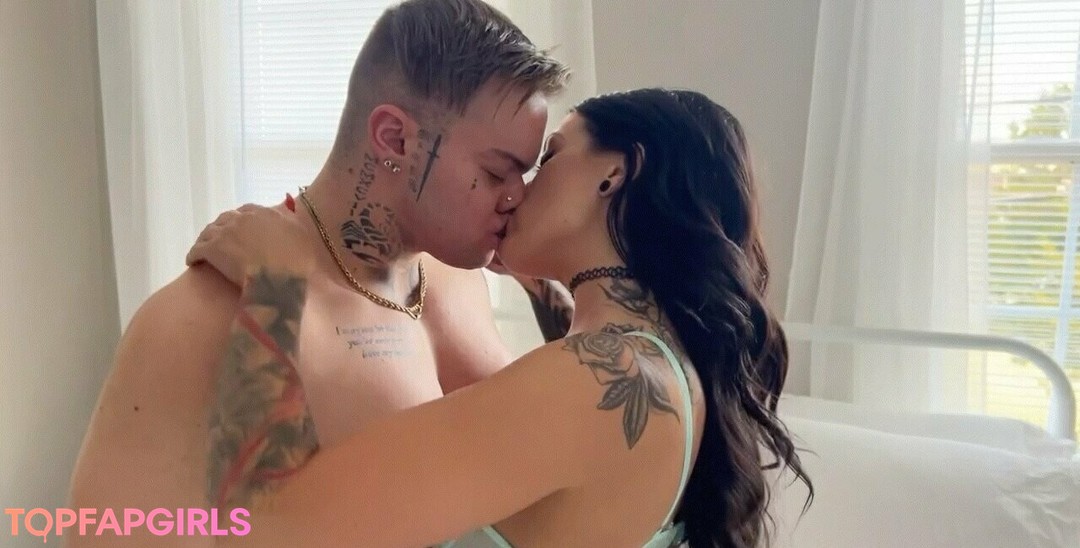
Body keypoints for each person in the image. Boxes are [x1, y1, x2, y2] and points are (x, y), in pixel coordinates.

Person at [188, 88, 812, 547]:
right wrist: (550, 287)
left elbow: (264, 525)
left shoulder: (588, 384)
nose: (514, 192)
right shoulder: (662, 362)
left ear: (614, 174)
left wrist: (275, 282)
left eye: (548, 159)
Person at [67, 1, 570, 545]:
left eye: (524, 174)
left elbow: (570, 454)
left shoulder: (460, 279)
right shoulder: (202, 316)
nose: (517, 197)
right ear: (395, 139)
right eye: (496, 172)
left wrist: (549, 278)